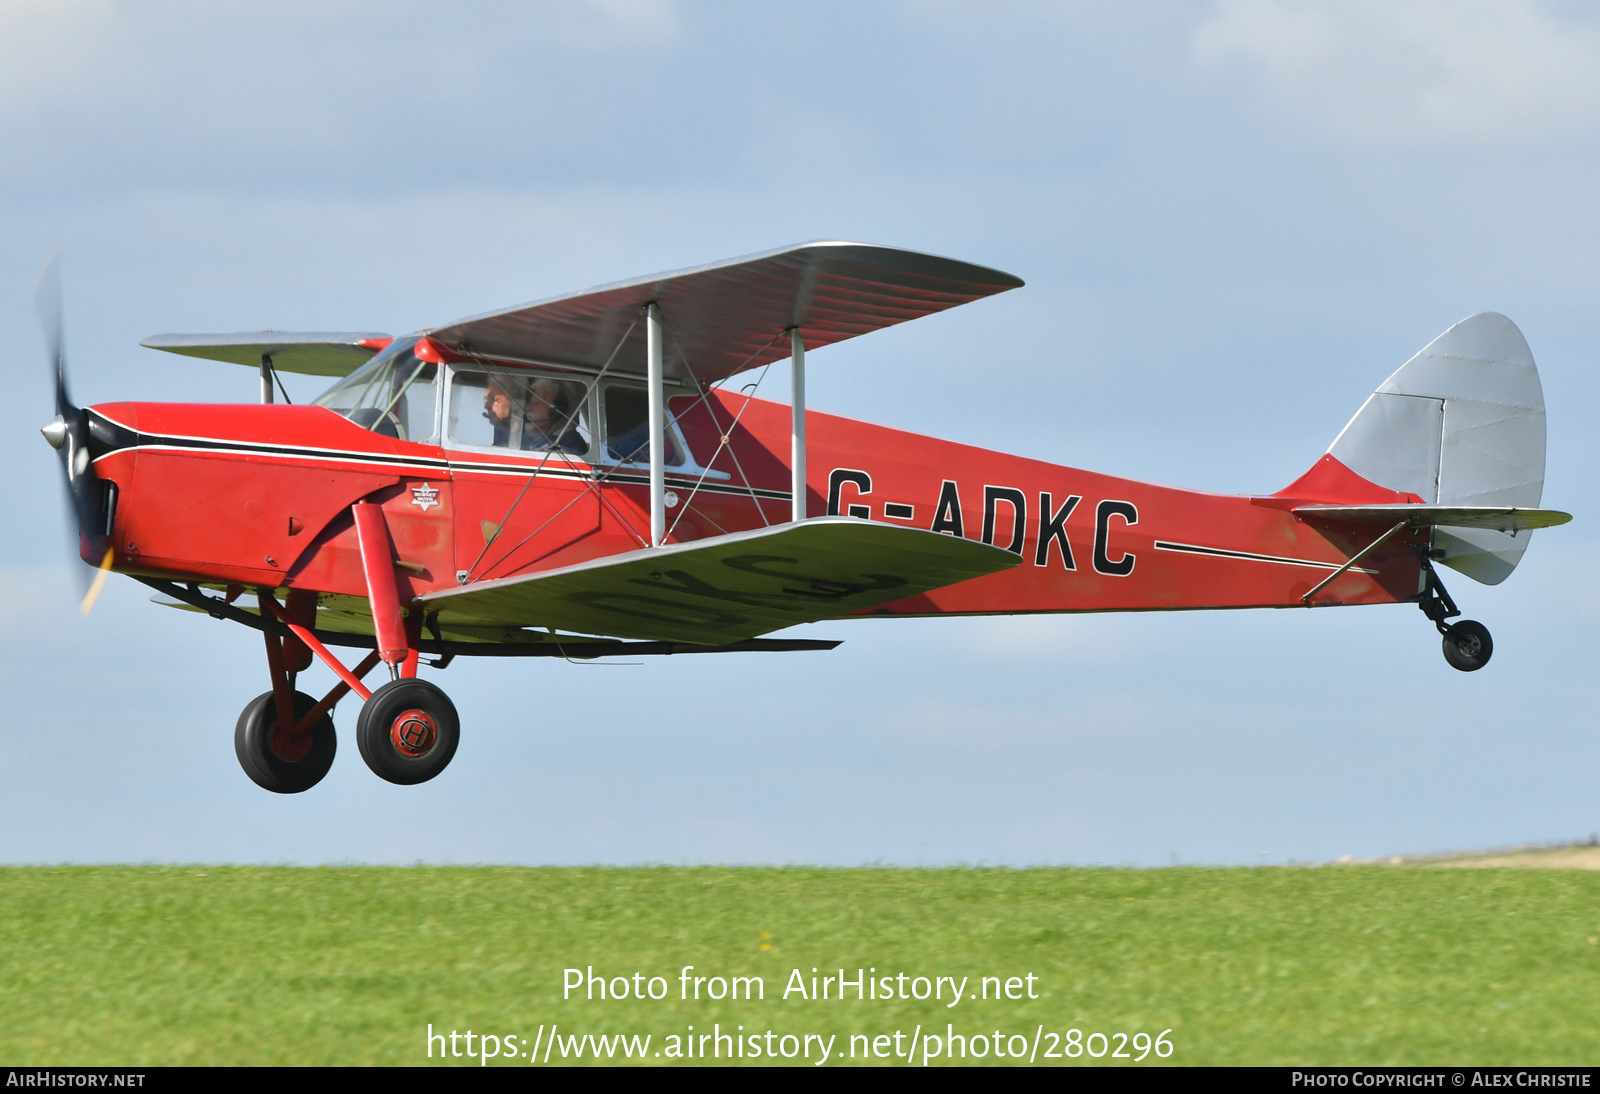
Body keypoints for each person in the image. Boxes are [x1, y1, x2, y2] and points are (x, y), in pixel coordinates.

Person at [484, 375, 584, 453]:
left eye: (536, 403)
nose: (528, 408)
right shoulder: (536, 440)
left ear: (557, 411)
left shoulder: (571, 447)